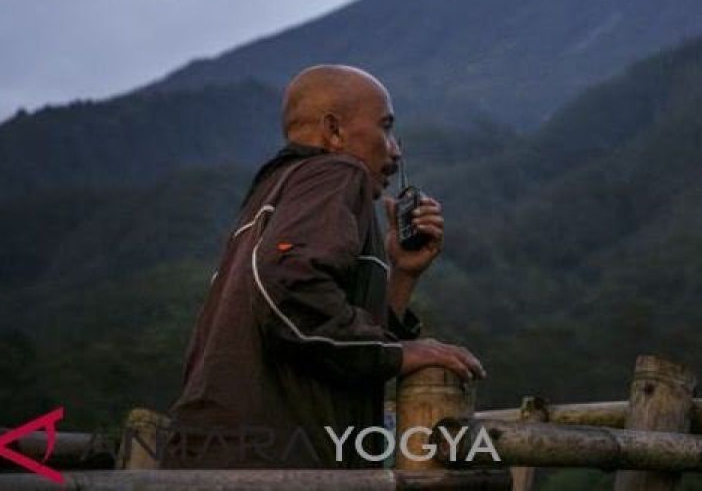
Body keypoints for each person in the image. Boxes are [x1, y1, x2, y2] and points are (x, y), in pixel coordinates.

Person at [163, 65, 484, 469]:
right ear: (334, 131)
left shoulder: (272, 194)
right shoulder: (336, 171)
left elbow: (315, 334)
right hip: (270, 465)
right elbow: (290, 286)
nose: (396, 150)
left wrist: (401, 274)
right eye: (385, 128)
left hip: (212, 457)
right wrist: (399, 353)